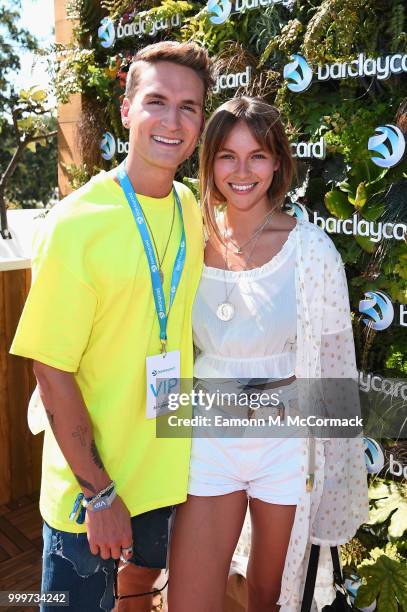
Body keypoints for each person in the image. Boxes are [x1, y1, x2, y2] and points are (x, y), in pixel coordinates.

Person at [10, 40, 213, 612]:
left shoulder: (191, 208)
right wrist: (100, 494)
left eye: (189, 107)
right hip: (90, 494)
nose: (172, 121)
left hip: (163, 480)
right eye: (156, 101)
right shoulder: (77, 224)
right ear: (127, 111)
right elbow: (50, 367)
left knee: (139, 603)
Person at [168, 97, 368, 611]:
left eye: (256, 155)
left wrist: (334, 471)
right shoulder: (185, 240)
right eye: (227, 156)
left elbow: (334, 366)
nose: (241, 171)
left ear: (278, 162)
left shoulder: (312, 249)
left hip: (284, 446)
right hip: (207, 440)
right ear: (208, 162)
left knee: (268, 596)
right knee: (190, 599)